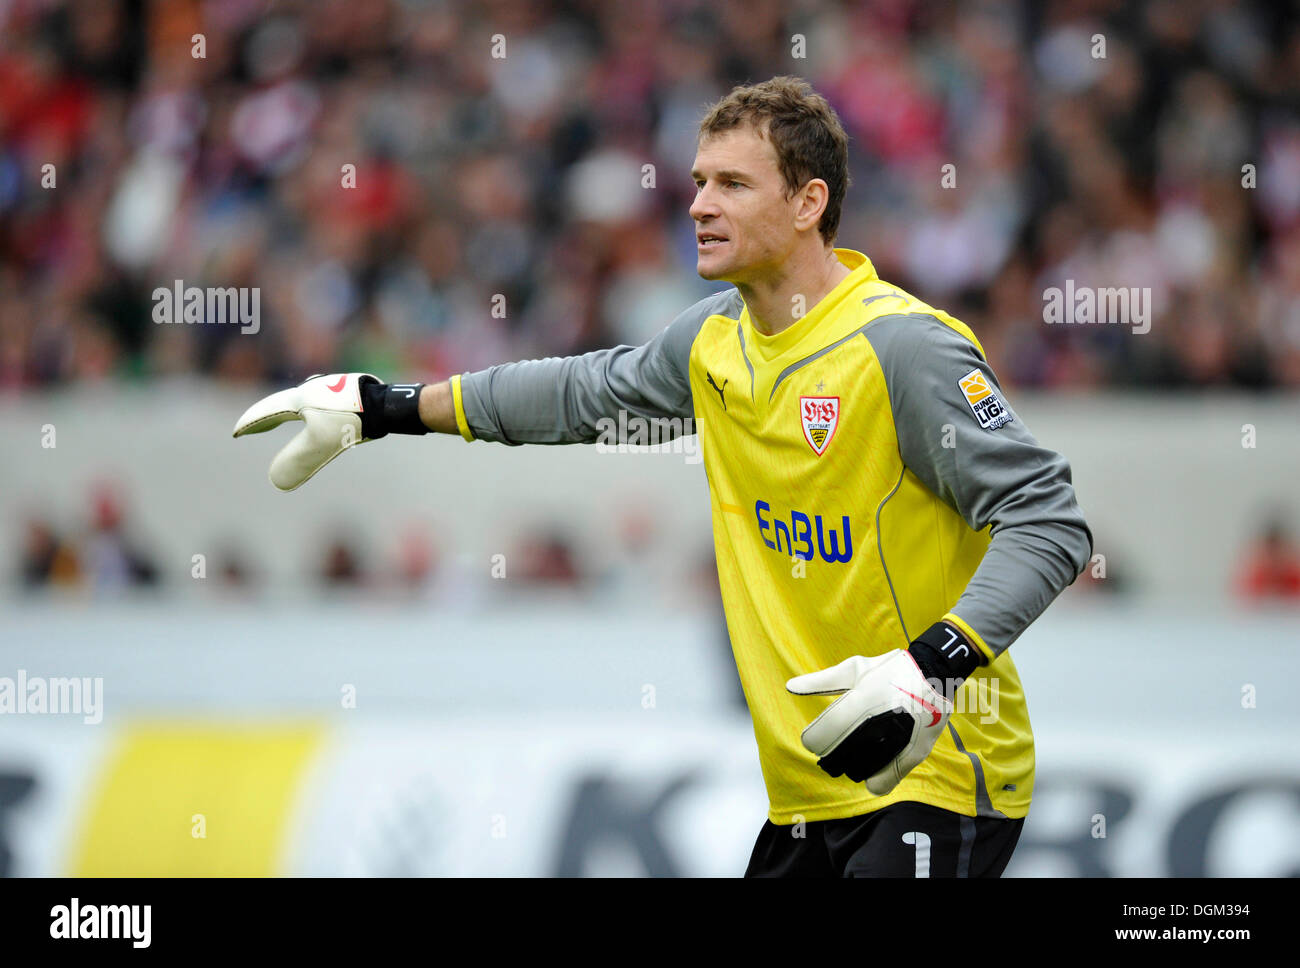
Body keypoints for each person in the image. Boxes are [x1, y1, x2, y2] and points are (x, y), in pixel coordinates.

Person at [234, 76, 1092, 878]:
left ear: (808, 202)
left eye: (731, 185)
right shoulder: (714, 340)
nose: (698, 205)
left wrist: (931, 665)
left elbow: (1050, 522)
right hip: (810, 792)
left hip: (937, 777)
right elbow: (576, 394)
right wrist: (387, 407)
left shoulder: (903, 348)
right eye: (697, 182)